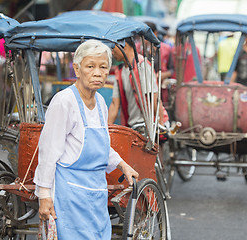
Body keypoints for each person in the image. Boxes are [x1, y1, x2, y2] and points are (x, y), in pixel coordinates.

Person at [33, 39, 139, 240]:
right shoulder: (64, 102)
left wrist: (123, 165)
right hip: (69, 196)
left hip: (96, 194)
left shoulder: (100, 103)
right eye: (90, 66)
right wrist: (44, 195)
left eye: (103, 67)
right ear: (77, 69)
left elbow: (102, 147)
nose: (97, 73)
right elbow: (48, 152)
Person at [108, 38, 167, 129]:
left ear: (124, 46)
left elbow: (154, 98)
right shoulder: (120, 71)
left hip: (150, 124)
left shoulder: (142, 65)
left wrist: (161, 126)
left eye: (113, 48)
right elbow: (115, 104)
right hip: (134, 126)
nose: (112, 52)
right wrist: (106, 128)